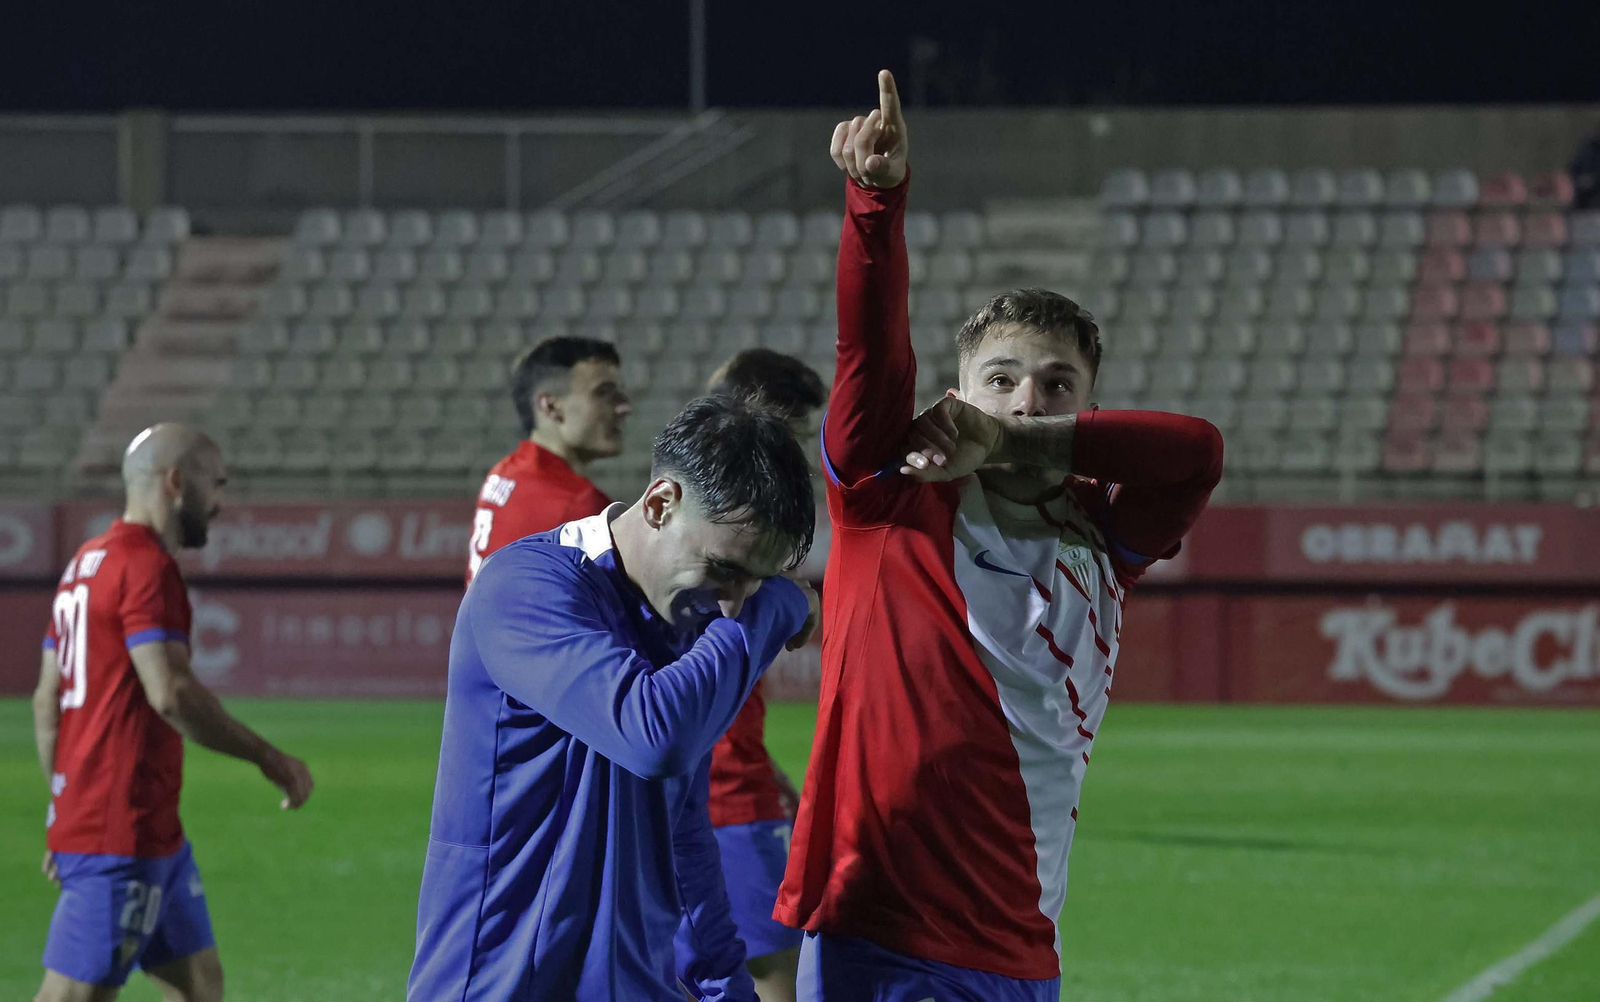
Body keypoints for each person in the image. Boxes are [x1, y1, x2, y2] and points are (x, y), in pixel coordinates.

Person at [774, 71, 1225, 1001]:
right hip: (880, 933)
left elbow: (1198, 452)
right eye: (1003, 380)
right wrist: (877, 204)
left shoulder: (1108, 536)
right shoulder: (888, 499)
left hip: (1023, 953)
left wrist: (1017, 441)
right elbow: (868, 348)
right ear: (959, 394)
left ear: (1088, 408)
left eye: (1057, 384)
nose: (1029, 396)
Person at [409, 394, 822, 1001]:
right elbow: (652, 736)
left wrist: (723, 986)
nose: (734, 602)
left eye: (758, 582)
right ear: (660, 504)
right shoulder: (527, 587)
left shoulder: (686, 624)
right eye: (725, 569)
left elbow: (684, 830)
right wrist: (778, 607)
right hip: (503, 984)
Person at [32, 423, 315, 1002]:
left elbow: (46, 701)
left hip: (144, 828)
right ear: (177, 482)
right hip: (120, 827)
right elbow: (170, 693)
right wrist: (269, 757)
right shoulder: (146, 567)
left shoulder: (85, 564)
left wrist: (65, 811)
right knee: (71, 996)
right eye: (216, 485)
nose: (220, 503)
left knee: (199, 984)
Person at [689, 349, 828, 1002]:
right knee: (777, 979)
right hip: (727, 805)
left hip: (700, 793)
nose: (797, 455)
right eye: (796, 434)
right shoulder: (743, 530)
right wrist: (793, 599)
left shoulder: (682, 522)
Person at [466, 335, 631, 583]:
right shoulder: (580, 505)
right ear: (551, 406)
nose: (623, 407)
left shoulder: (504, 472)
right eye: (604, 393)